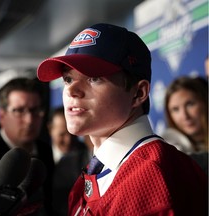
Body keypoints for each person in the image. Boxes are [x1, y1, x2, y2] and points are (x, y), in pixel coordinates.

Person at [37, 23, 207, 215]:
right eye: (68, 79)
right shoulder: (99, 169)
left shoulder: (149, 175)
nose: (71, 91)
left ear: (138, 93)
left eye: (94, 78)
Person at [0, 77, 54, 215]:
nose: (29, 120)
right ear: (2, 116)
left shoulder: (45, 150)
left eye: (35, 110)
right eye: (19, 111)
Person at [162, 76, 208, 174]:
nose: (184, 116)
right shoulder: (168, 147)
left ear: (204, 102)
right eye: (175, 109)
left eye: (190, 104)